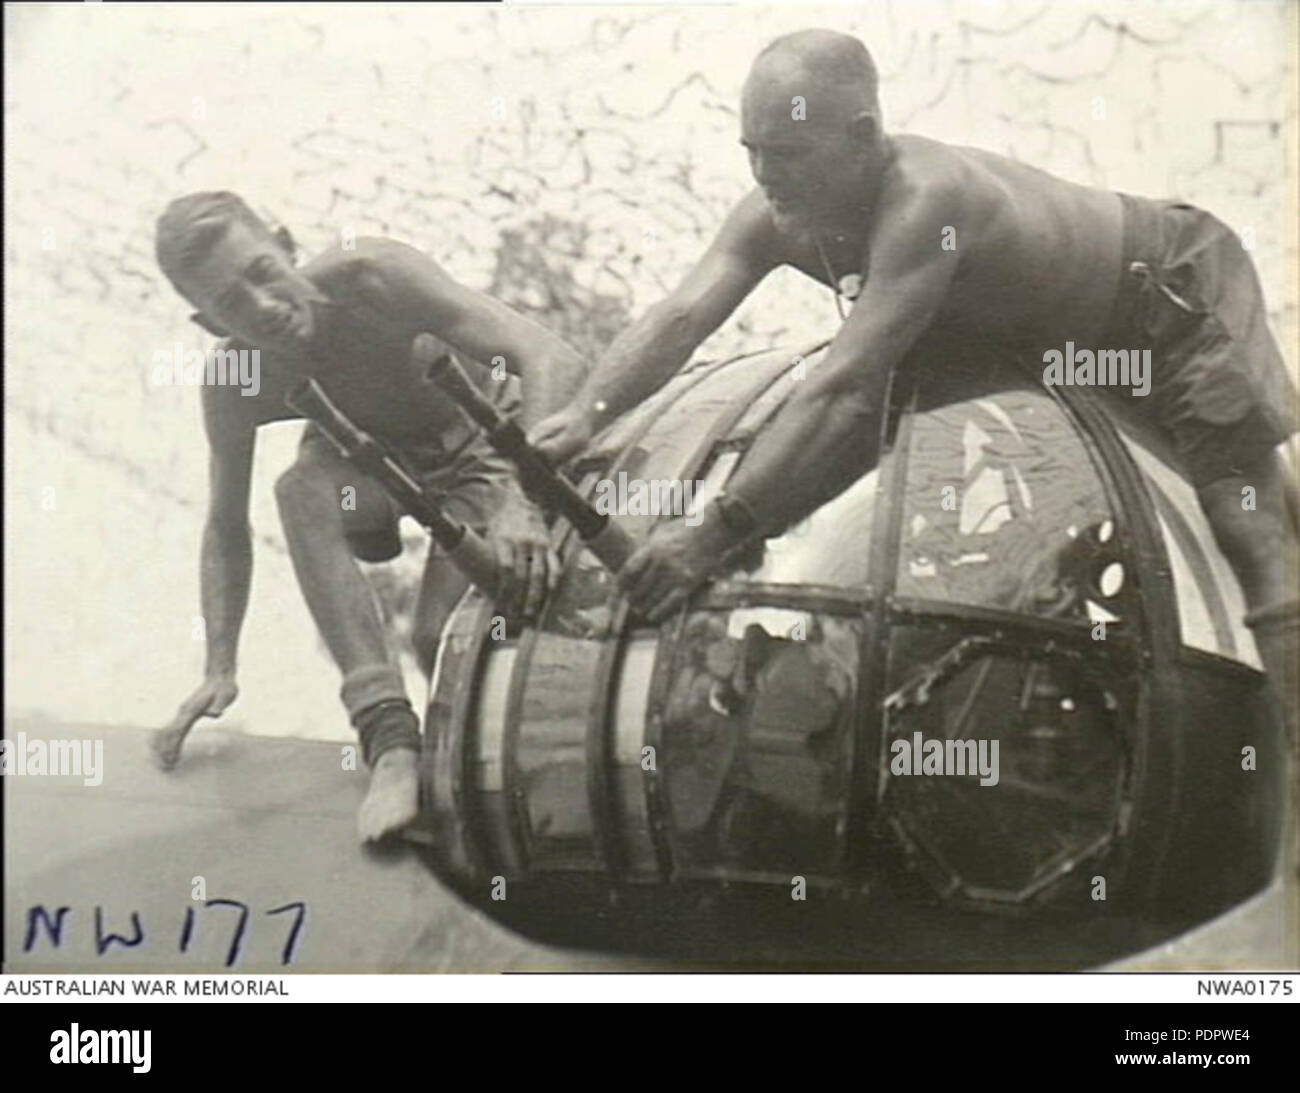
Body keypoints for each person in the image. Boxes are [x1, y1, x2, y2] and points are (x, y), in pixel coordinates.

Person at [529, 29, 1299, 864]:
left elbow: (846, 387)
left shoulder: (927, 201)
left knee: (1250, 522)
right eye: (750, 150)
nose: (764, 173)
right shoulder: (779, 211)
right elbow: (681, 317)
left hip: (1167, 293)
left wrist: (709, 535)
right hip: (1044, 337)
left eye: (787, 151)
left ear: (864, 135)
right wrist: (587, 412)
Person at [152, 191, 587, 842]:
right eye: (233, 306)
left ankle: (543, 772)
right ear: (210, 324)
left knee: (440, 641)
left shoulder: (374, 277)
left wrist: (525, 502)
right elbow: (225, 524)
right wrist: (219, 664)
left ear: (286, 240)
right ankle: (388, 741)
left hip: (488, 445)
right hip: (381, 465)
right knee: (301, 488)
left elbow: (554, 358)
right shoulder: (237, 379)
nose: (263, 309)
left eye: (262, 274)